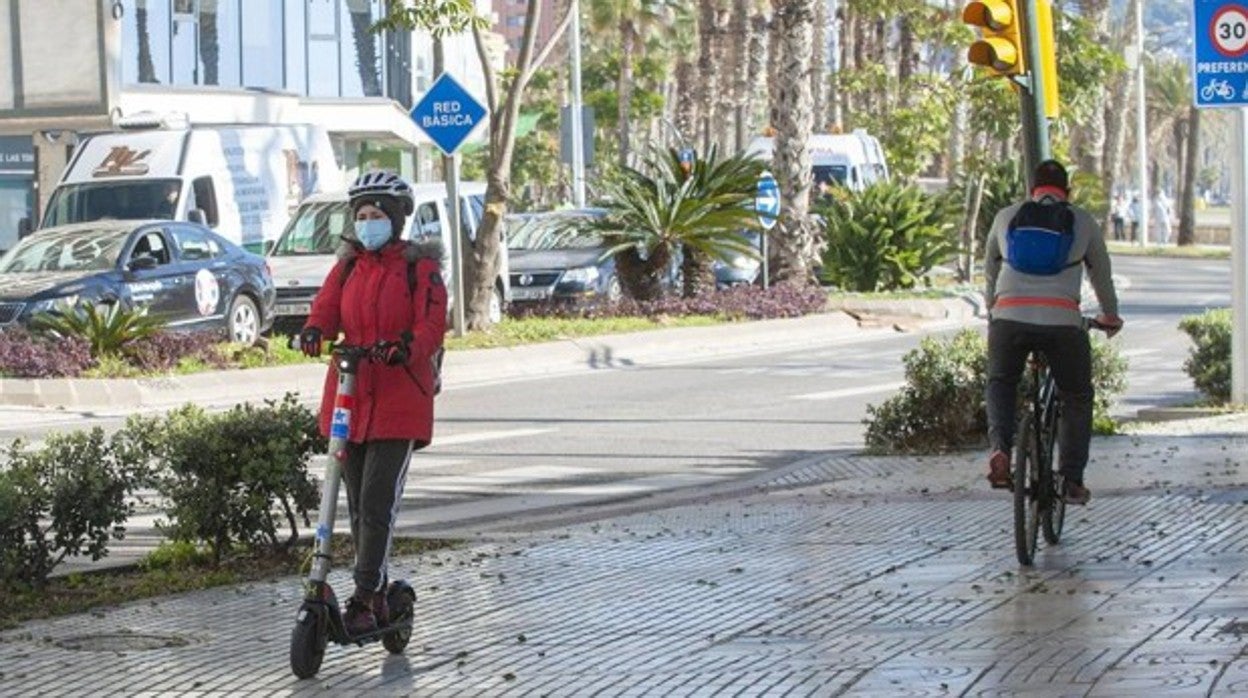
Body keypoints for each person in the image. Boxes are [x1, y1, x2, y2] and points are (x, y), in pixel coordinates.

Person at [298, 171, 448, 636]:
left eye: (376, 215)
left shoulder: (419, 269)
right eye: (361, 216)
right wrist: (314, 331)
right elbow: (325, 308)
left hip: (399, 398)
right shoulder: (347, 267)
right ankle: (374, 589)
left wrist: (406, 346)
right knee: (356, 506)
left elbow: (432, 323)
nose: (367, 224)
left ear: (397, 219)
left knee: (377, 502)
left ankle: (366, 596)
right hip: (350, 397)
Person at [982, 160, 1123, 505]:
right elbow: (1101, 275)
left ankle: (1000, 449)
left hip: (1008, 318)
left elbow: (989, 269)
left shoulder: (1006, 217)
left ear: (1032, 190)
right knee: (1076, 396)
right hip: (1062, 324)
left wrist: (994, 309)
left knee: (1001, 381)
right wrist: (1110, 316)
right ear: (1067, 192)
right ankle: (1072, 479)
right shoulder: (1082, 221)